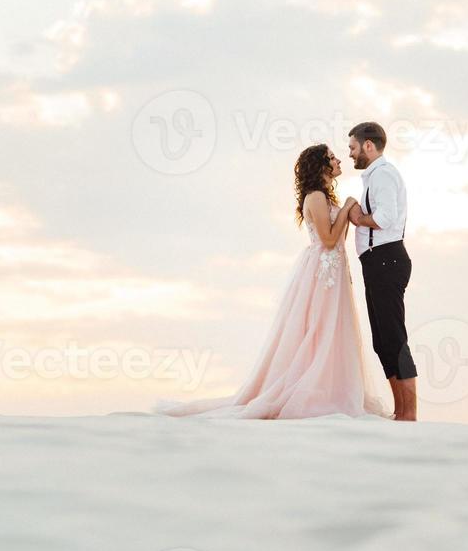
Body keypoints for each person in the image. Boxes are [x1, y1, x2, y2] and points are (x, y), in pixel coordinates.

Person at [156, 144, 386, 420]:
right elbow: (327, 240)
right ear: (321, 165)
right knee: (317, 329)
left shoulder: (325, 197)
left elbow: (337, 242)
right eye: (332, 157)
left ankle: (332, 388)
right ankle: (307, 389)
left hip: (334, 270)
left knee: (334, 329)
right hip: (321, 273)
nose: (339, 160)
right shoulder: (314, 197)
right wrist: (349, 205)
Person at [346, 121, 417, 422]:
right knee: (381, 340)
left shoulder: (383, 175)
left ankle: (409, 413)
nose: (350, 154)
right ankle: (400, 410)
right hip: (377, 262)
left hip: (387, 260)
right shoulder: (373, 177)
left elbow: (385, 218)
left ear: (368, 146)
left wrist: (358, 218)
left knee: (394, 338)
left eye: (352, 147)